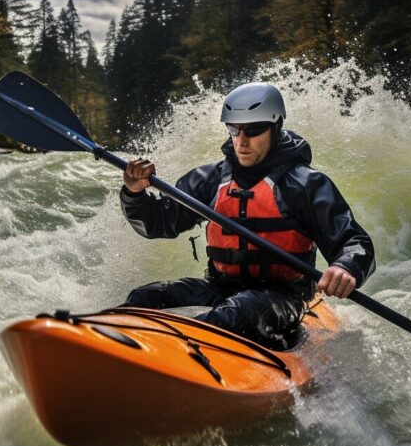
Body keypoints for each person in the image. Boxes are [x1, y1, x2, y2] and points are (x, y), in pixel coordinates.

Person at [120, 83, 375, 349]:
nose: (241, 141)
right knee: (145, 297)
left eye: (253, 130)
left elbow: (354, 240)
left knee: (239, 311)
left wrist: (346, 266)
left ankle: (182, 353)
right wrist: (134, 193)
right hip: (220, 289)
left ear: (275, 127)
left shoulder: (305, 185)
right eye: (233, 129)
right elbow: (157, 222)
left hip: (282, 298)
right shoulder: (211, 180)